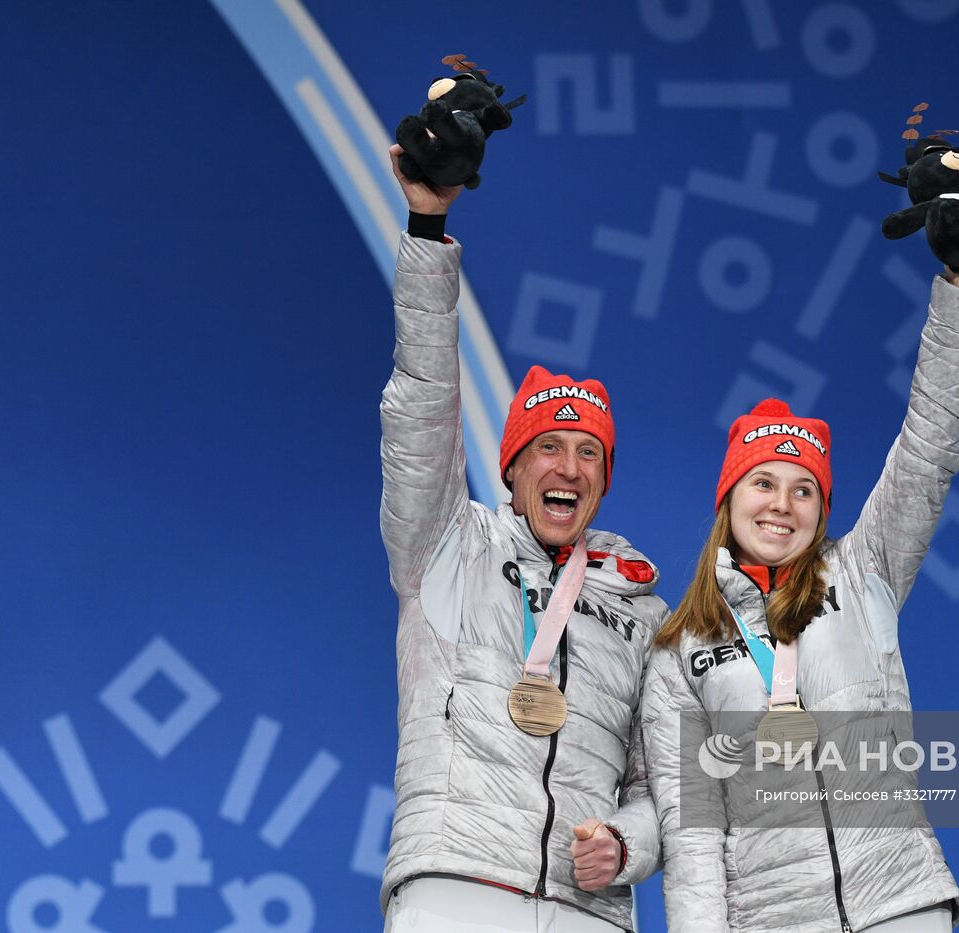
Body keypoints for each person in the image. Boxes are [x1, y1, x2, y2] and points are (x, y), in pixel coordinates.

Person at [642, 229, 959, 932]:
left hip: (898, 905)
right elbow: (692, 837)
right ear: (729, 496)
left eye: (804, 489)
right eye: (764, 482)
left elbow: (929, 446)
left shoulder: (863, 570)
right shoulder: (679, 650)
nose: (782, 504)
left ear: (822, 509)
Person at [379, 144, 665, 932]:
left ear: (604, 481)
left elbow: (662, 782)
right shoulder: (448, 544)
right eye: (547, 445)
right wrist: (428, 232)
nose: (567, 464)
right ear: (510, 467)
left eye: (588, 452)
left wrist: (626, 840)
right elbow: (420, 407)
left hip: (589, 911)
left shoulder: (642, 607)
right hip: (457, 885)